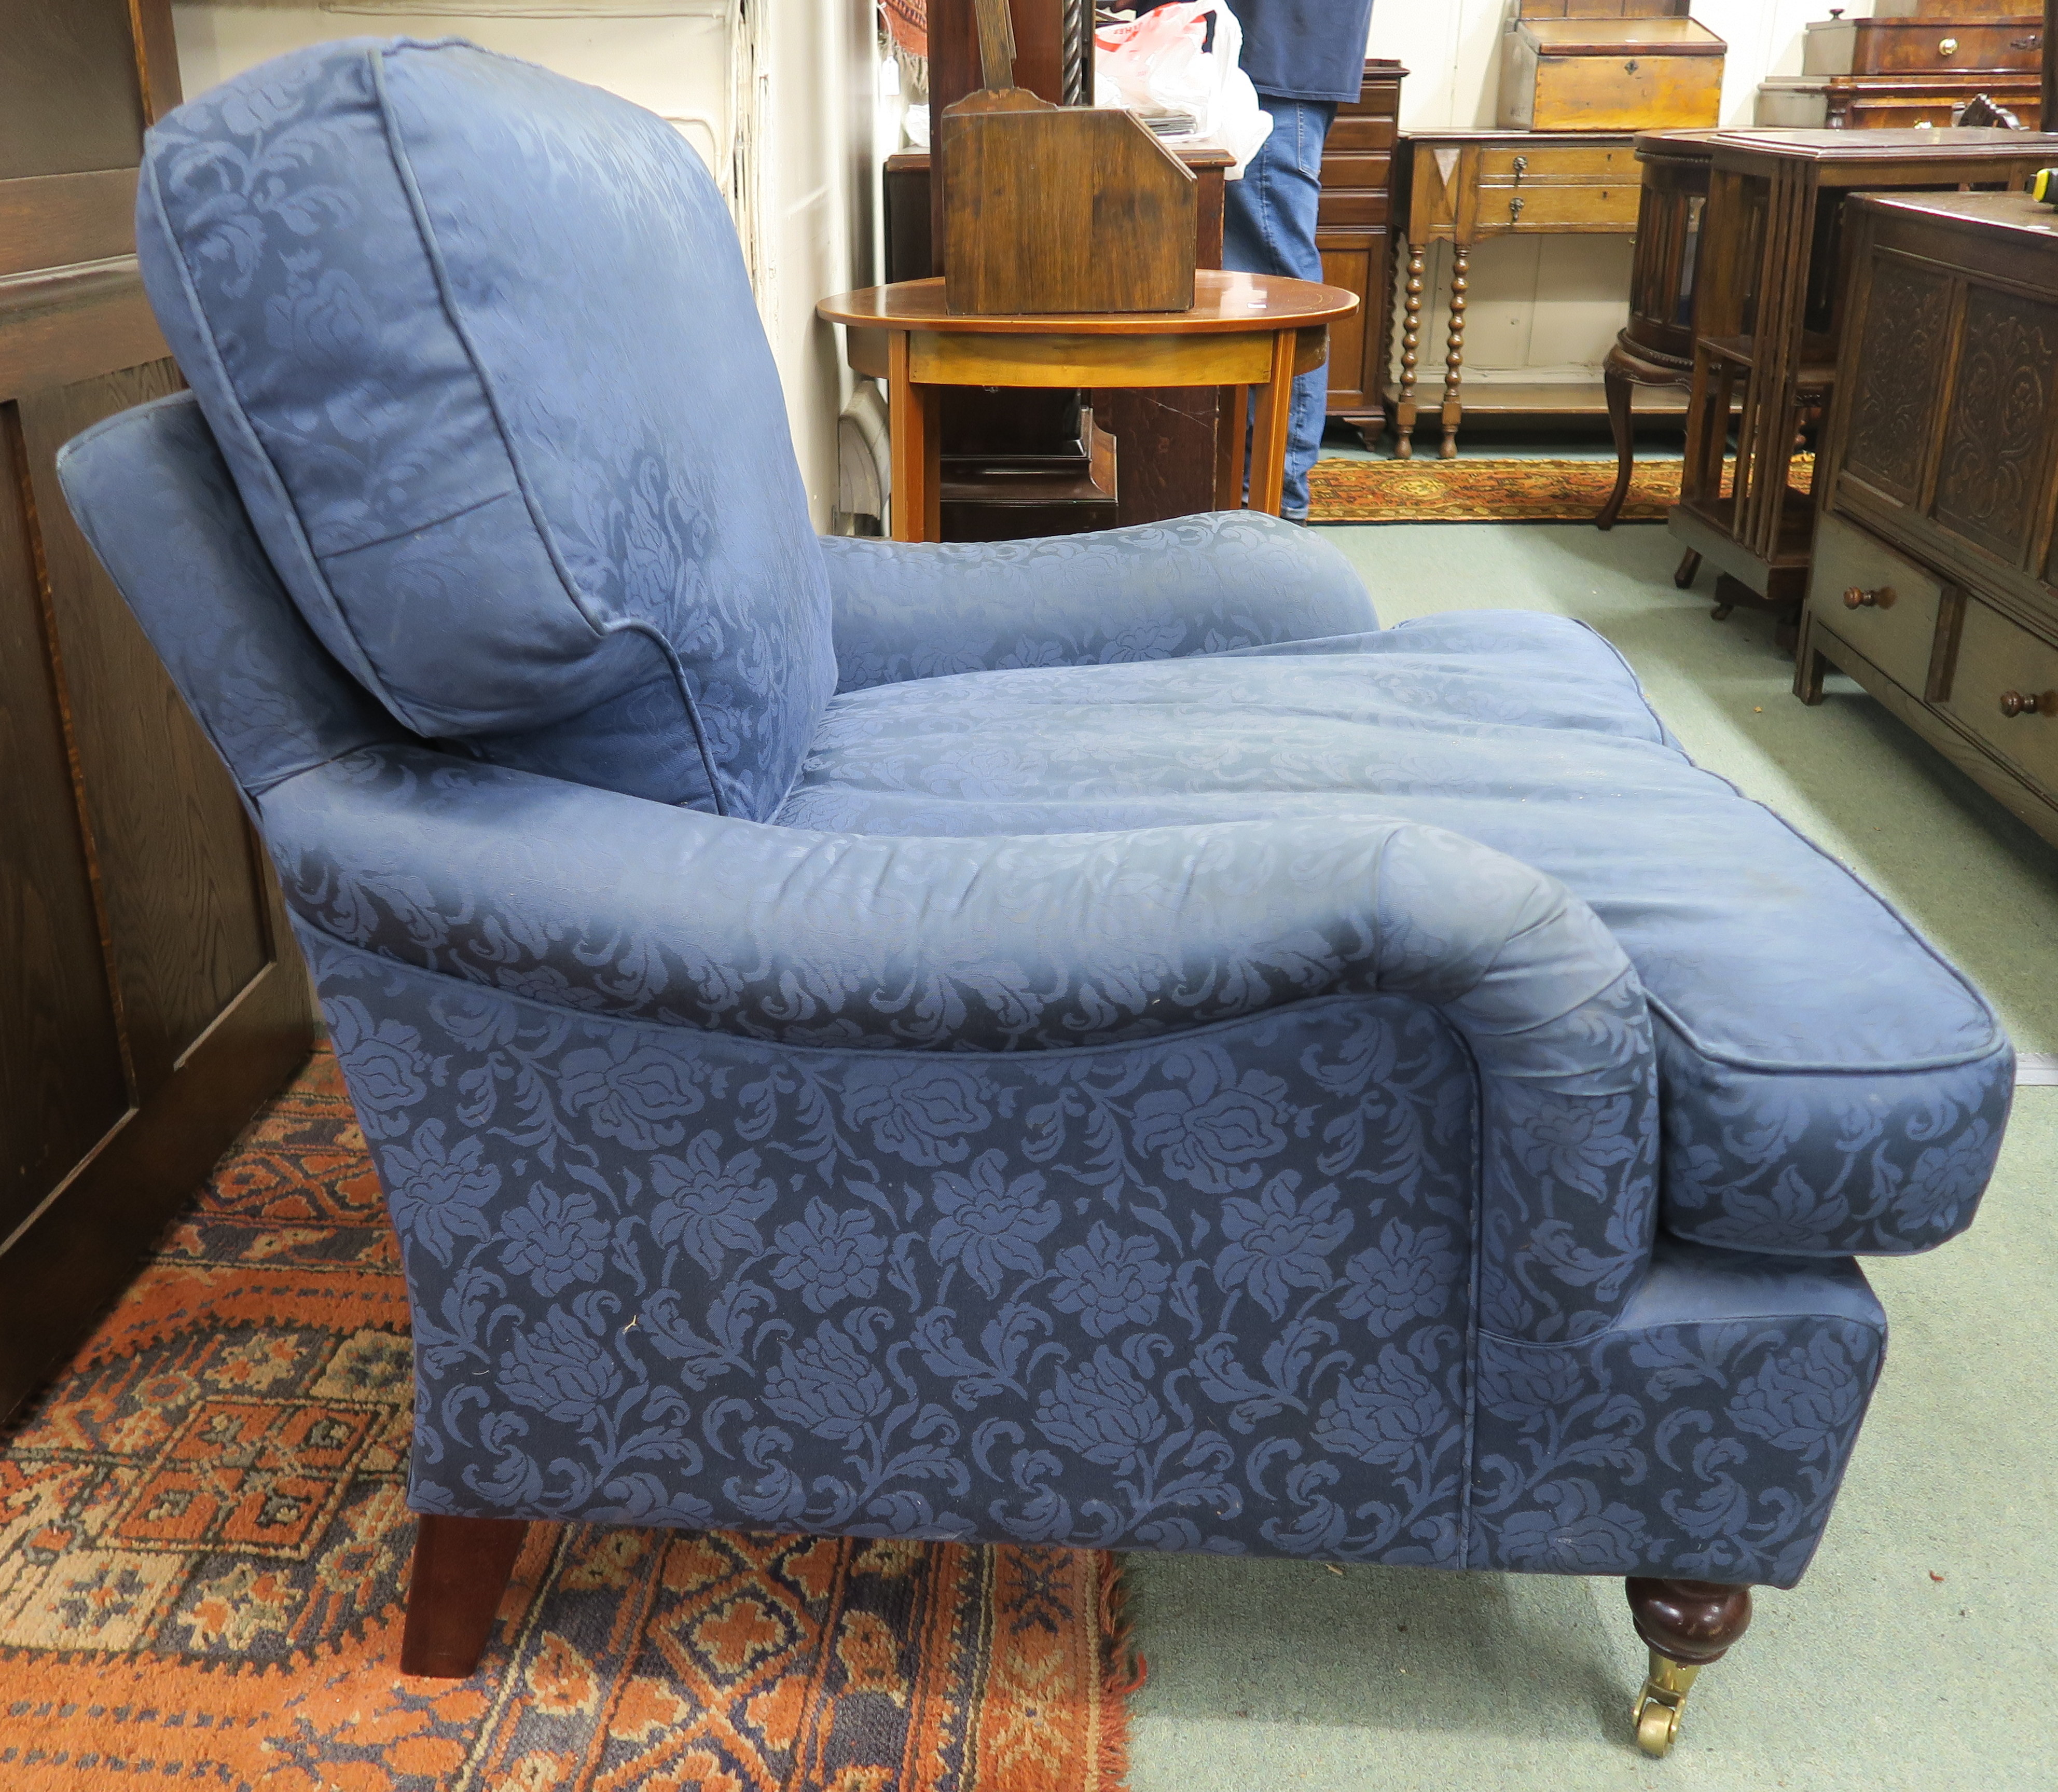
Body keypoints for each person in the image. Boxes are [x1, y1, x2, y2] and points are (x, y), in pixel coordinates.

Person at [1145, 0, 1376, 520]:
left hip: (1266, 61)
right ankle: (1259, 497)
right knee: (1252, 288)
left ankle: (1274, 503)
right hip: (1253, 56)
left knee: (1275, 291)